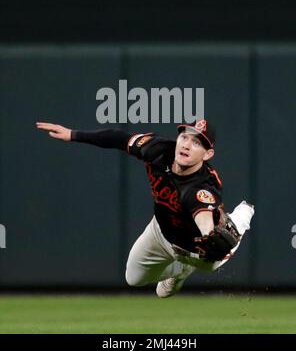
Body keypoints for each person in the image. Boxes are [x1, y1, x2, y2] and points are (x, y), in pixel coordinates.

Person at [36, 119, 254, 298]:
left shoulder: (202, 187)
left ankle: (243, 214)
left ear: (208, 155)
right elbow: (119, 138)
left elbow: (203, 217)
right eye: (184, 136)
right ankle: (179, 271)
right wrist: (73, 134)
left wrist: (209, 234)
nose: (186, 144)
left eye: (197, 142)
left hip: (196, 251)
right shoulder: (157, 150)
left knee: (215, 255)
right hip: (161, 230)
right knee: (133, 278)